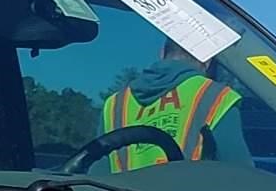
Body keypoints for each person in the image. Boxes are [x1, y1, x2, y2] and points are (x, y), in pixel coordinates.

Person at [100, 40, 247, 171]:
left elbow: (98, 174)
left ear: (162, 53)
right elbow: (242, 176)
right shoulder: (216, 97)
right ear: (207, 60)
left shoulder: (114, 106)